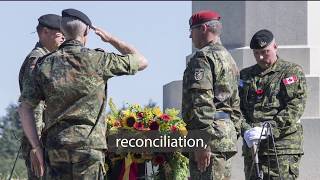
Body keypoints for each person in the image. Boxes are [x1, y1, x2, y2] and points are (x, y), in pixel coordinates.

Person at [18, 8, 148, 179]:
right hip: (89, 149)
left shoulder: (44, 64)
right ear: (86, 31)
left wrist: (35, 146)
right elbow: (142, 61)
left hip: (57, 148)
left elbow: (25, 108)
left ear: (63, 31)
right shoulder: (99, 60)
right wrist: (110, 39)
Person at [182, 10, 242, 180]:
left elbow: (201, 101)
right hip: (222, 136)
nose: (190, 37)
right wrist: (230, 131)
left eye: (191, 30)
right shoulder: (229, 59)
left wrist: (202, 141)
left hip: (208, 139)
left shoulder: (203, 58)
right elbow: (235, 103)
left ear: (204, 28)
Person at [239, 29, 307, 179]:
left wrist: (269, 129)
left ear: (275, 47)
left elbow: (295, 105)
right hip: (254, 148)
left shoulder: (291, 71)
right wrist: (245, 130)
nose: (261, 57)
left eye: (265, 51)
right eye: (256, 53)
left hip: (281, 147)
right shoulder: (245, 76)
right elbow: (237, 108)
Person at [18, 13, 64, 180]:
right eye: (60, 34)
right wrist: (35, 146)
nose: (64, 39)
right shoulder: (37, 59)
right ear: (45, 32)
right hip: (39, 140)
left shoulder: (48, 58)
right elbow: (33, 106)